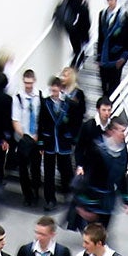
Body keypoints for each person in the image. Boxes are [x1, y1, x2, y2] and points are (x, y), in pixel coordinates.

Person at [73, 122, 128, 237]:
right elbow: (88, 176)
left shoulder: (122, 151)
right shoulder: (97, 148)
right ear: (111, 131)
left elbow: (122, 175)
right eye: (121, 131)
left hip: (108, 199)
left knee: (103, 233)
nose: (124, 134)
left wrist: (127, 200)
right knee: (92, 235)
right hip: (93, 198)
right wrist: (82, 203)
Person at [39, 76, 79, 209]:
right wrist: (41, 142)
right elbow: (41, 122)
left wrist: (72, 137)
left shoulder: (69, 104)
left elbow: (75, 122)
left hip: (63, 142)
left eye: (56, 91)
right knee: (49, 173)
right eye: (52, 91)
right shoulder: (45, 103)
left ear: (61, 89)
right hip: (50, 141)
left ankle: (68, 194)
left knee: (66, 170)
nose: (54, 93)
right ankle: (50, 199)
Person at [11, 68, 44, 206]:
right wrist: (24, 135)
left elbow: (42, 118)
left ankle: (36, 190)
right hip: (24, 139)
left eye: (30, 83)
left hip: (36, 139)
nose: (28, 86)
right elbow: (15, 119)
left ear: (34, 81)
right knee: (23, 170)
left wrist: (38, 136)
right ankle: (27, 195)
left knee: (35, 168)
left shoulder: (40, 96)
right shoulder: (18, 97)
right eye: (26, 83)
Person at [95, 0, 128, 98]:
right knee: (104, 87)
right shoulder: (102, 15)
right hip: (104, 58)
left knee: (114, 87)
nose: (110, 2)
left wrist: (123, 58)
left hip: (116, 58)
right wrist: (98, 57)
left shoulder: (124, 17)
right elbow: (100, 37)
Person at [58, 0, 92, 69]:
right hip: (76, 28)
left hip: (77, 28)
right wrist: (84, 5)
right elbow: (78, 10)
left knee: (79, 50)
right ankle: (73, 71)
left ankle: (74, 70)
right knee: (78, 50)